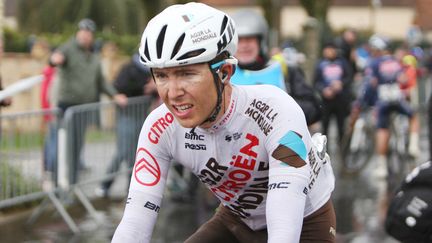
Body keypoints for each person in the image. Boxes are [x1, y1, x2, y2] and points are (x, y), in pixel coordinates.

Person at [112, 2, 336, 242]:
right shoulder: (159, 127)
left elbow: (284, 227)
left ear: (225, 72)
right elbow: (135, 223)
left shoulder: (277, 111)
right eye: (162, 76)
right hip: (237, 219)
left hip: (305, 220)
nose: (173, 92)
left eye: (187, 73)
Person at [49, 18, 127, 184]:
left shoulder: (94, 56)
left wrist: (114, 95)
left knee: (76, 148)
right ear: (78, 33)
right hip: (67, 108)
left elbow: (101, 82)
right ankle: (57, 184)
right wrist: (55, 59)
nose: (85, 36)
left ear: (91, 36)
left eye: (88, 33)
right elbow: (56, 57)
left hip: (83, 109)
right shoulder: (68, 48)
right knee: (62, 147)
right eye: (82, 32)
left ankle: (71, 183)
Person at [229, 9, 322, 127]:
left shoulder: (284, 70)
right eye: (239, 40)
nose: (244, 46)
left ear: (261, 42)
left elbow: (314, 108)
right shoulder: (222, 73)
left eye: (249, 39)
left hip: (278, 142)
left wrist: (279, 108)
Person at [95, 53, 154, 198]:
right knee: (123, 152)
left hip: (140, 115)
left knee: (137, 153)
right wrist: (144, 87)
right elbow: (120, 87)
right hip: (127, 115)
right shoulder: (129, 68)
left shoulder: (152, 68)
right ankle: (106, 185)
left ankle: (130, 188)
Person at [314, 42, 352, 142]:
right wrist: (323, 90)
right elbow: (315, 82)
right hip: (326, 100)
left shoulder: (342, 62)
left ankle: (343, 152)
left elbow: (349, 77)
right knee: (325, 127)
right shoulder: (320, 64)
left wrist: (341, 83)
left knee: (341, 127)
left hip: (340, 99)